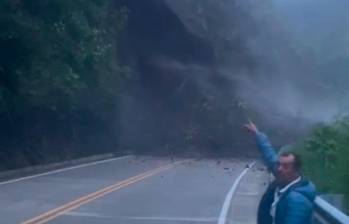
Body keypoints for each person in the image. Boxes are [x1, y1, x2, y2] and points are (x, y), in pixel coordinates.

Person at [244, 121, 316, 224]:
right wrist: (257, 134)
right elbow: (270, 155)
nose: (279, 169)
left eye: (285, 166)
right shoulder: (283, 179)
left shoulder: (296, 201)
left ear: (296, 171)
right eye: (279, 164)